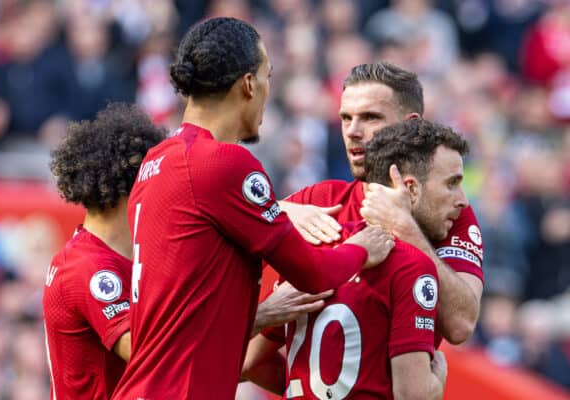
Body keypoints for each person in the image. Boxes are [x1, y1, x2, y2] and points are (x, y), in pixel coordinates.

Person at [112, 17, 393, 400]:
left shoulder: (156, 162)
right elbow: (313, 273)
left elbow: (188, 302)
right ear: (247, 84)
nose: (266, 91)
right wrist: (364, 249)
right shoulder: (225, 163)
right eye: (267, 77)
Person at [244, 119, 468, 399]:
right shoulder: (413, 264)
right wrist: (437, 382)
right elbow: (413, 396)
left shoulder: (318, 248)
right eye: (452, 184)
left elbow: (250, 363)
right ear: (410, 188)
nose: (463, 200)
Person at [275, 62, 484, 345]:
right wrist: (280, 209)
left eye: (370, 117)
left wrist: (403, 226)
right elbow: (251, 360)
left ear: (410, 124)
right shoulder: (317, 203)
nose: (353, 131)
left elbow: (461, 325)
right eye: (346, 118)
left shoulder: (447, 208)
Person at [42, 103, 167, 399]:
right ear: (130, 189)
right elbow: (147, 353)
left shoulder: (113, 258)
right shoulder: (88, 267)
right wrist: (258, 318)